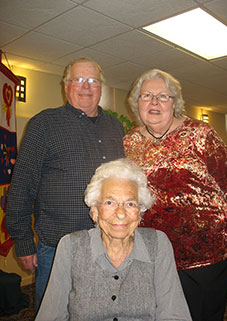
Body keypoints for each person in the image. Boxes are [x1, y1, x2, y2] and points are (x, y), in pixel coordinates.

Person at [123, 68, 227, 321]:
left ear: (175, 103)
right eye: (147, 95)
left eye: (163, 96)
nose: (154, 102)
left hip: (205, 254)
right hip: (154, 253)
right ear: (137, 103)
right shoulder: (130, 142)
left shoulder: (202, 134)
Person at [5, 57, 125, 309]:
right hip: (59, 250)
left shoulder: (116, 127)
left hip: (108, 247)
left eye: (93, 80)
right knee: (55, 314)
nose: (86, 86)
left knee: (102, 311)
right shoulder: (44, 124)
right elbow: (22, 186)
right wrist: (24, 242)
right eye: (78, 79)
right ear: (66, 85)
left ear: (101, 86)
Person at [35, 158, 192, 321]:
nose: (121, 213)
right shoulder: (71, 246)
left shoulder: (158, 244)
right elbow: (51, 316)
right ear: (95, 211)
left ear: (140, 212)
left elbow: (174, 315)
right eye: (110, 202)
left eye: (130, 204)